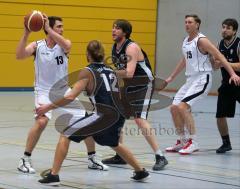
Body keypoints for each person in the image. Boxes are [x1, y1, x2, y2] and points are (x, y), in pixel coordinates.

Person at [36, 40, 150, 185]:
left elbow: (70, 96)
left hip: (103, 115)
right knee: (114, 143)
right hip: (119, 114)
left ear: (88, 55)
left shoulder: (87, 71)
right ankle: (140, 171)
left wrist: (47, 107)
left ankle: (54, 175)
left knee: (65, 135)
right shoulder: (111, 71)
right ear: (102, 55)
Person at [16, 15, 108, 174]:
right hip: (43, 91)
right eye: (59, 26)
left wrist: (49, 29)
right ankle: (25, 159)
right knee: (41, 122)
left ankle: (92, 158)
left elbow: (65, 43)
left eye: (61, 26)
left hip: (63, 90)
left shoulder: (64, 45)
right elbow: (20, 55)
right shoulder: (37, 46)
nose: (62, 29)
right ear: (49, 27)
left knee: (85, 121)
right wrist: (26, 33)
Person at [164, 14, 240, 155]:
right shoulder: (186, 41)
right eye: (185, 22)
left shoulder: (202, 40)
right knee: (174, 108)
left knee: (183, 107)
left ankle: (193, 142)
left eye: (190, 22)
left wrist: (233, 73)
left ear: (197, 25)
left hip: (202, 79)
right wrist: (171, 77)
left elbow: (220, 56)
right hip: (190, 79)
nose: (187, 24)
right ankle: (182, 141)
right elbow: (184, 60)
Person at [101, 19, 168, 171]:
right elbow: (121, 74)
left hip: (143, 84)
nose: (113, 30)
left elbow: (129, 73)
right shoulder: (115, 47)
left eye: (117, 28)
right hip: (129, 85)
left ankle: (160, 156)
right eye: (112, 28)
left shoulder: (131, 47)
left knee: (139, 119)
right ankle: (120, 155)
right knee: (117, 116)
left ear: (125, 32)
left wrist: (109, 72)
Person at [214, 18, 240, 153]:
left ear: (234, 31)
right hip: (227, 84)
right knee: (220, 116)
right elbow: (214, 66)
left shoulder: (239, 44)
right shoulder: (219, 45)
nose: (224, 30)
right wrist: (215, 64)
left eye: (228, 28)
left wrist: (225, 63)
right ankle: (226, 143)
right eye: (223, 27)